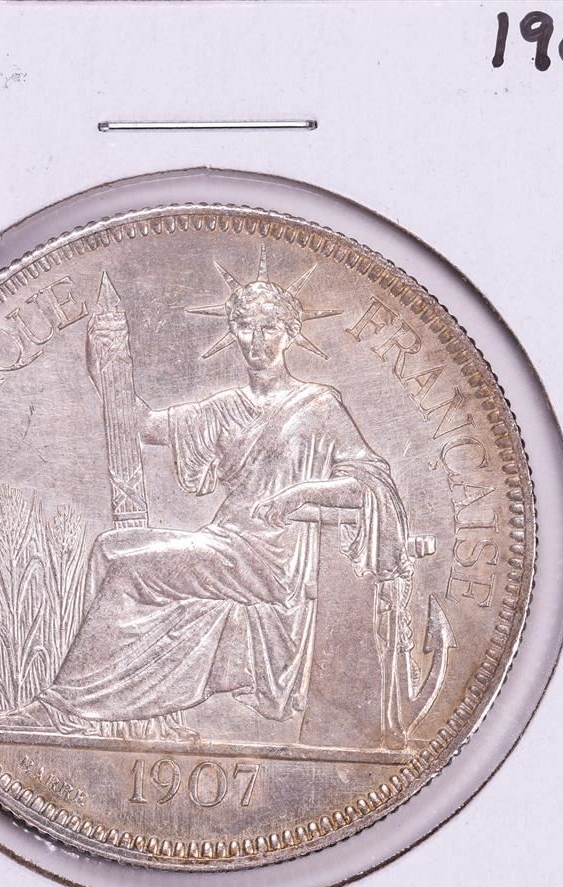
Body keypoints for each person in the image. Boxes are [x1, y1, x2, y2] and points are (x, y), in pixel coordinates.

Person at [38, 265, 411, 740]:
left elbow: (368, 485)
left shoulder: (319, 405)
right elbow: (142, 424)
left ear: (291, 333)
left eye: (269, 327)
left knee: (130, 568)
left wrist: (300, 492)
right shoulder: (224, 407)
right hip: (225, 541)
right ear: (232, 331)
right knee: (110, 547)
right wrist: (105, 366)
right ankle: (140, 716)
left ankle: (65, 707)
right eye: (246, 326)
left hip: (270, 558)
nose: (257, 340)